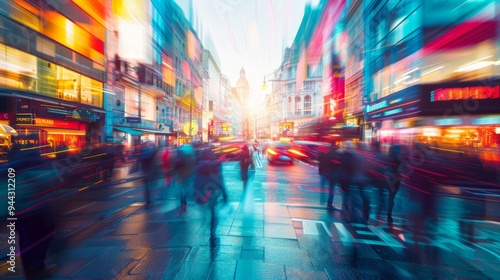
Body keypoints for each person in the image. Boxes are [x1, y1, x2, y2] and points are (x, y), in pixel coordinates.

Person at [2, 146, 58, 278]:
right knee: (42, 237)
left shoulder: (8, 169)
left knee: (26, 240)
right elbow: (49, 181)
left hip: (18, 212)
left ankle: (30, 268)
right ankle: (36, 267)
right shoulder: (34, 166)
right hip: (36, 210)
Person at [193, 149, 228, 246]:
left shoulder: (199, 166)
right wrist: (225, 194)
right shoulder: (217, 165)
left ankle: (209, 224)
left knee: (208, 210)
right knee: (213, 212)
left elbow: (196, 180)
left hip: (202, 192)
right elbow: (220, 180)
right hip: (213, 192)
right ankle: (212, 233)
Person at [174, 144, 197, 211]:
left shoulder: (179, 153)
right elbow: (193, 164)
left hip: (180, 173)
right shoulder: (191, 154)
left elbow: (176, 164)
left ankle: (183, 202)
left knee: (181, 187)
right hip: (188, 173)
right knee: (187, 186)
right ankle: (188, 200)